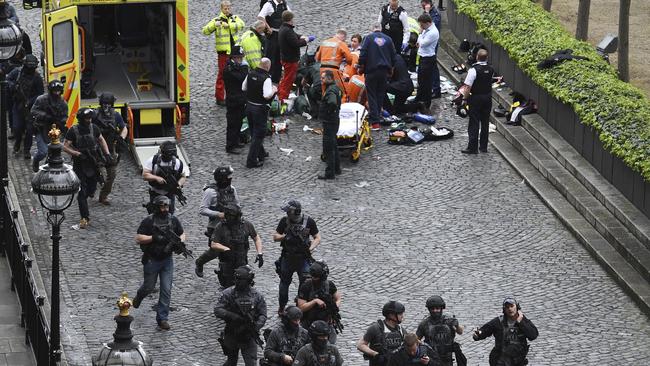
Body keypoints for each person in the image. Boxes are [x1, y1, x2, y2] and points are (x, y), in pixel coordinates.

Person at [132, 195, 186, 330]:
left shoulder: (173, 219)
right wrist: (153, 238)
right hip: (152, 259)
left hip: (167, 260)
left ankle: (162, 318)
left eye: (166, 206)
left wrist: (180, 242)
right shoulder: (148, 221)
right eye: (162, 206)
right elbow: (138, 238)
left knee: (166, 289)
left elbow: (182, 233)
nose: (164, 209)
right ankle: (139, 296)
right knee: (148, 287)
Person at [62, 108, 111, 228]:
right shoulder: (73, 131)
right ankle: (85, 217)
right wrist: (76, 153)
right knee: (82, 193)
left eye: (90, 118)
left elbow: (101, 140)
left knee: (91, 189)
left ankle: (90, 193)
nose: (89, 120)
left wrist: (107, 154)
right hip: (80, 164)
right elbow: (65, 146)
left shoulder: (94, 128)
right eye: (86, 118)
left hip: (93, 163)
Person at [195, 204, 264, 288]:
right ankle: (199, 262)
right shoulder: (221, 226)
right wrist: (225, 248)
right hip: (226, 260)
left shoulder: (246, 225)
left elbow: (256, 238)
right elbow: (214, 244)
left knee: (245, 283)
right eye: (230, 217)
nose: (232, 219)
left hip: (241, 260)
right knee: (228, 285)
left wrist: (259, 253)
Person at [273, 200, 321, 313]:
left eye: (289, 212)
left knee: (304, 283)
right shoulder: (284, 221)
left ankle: (299, 307)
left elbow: (317, 237)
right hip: (287, 257)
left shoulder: (309, 221)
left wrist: (311, 248)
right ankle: (281, 306)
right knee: (284, 284)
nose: (287, 214)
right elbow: (275, 236)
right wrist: (284, 237)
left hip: (303, 258)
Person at [214, 265, 268, 366]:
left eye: (240, 279)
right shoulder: (228, 293)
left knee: (251, 363)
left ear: (248, 280)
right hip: (232, 333)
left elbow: (263, 315)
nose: (237, 281)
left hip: (249, 335)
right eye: (236, 278)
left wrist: (256, 326)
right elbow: (218, 310)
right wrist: (232, 316)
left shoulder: (257, 296)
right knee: (231, 362)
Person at [203, 0, 246, 105]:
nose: (227, 10)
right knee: (222, 74)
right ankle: (220, 98)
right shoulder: (216, 20)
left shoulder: (234, 18)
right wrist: (214, 25)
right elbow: (205, 31)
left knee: (238, 73)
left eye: (228, 8)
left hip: (235, 51)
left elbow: (242, 25)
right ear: (221, 9)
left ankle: (235, 95)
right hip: (223, 52)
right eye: (225, 8)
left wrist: (229, 26)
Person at [473, 297, 538, 366]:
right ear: (504, 309)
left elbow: (533, 335)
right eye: (507, 307)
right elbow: (484, 330)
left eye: (512, 306)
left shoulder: (523, 320)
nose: (510, 309)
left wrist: (521, 322)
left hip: (518, 361)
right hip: (500, 360)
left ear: (517, 307)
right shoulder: (498, 322)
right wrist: (478, 335)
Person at [358, 23, 396, 130]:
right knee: (380, 94)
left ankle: (375, 122)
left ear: (372, 29)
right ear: (381, 29)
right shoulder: (388, 39)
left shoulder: (368, 38)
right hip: (384, 72)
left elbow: (363, 54)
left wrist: (361, 65)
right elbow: (394, 56)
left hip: (371, 71)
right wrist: (391, 68)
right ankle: (377, 117)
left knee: (371, 95)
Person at [93, 92, 128, 205]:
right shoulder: (94, 115)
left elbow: (124, 128)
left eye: (108, 104)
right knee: (92, 172)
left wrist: (121, 138)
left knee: (112, 174)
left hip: (110, 147)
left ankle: (103, 195)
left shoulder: (116, 115)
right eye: (104, 104)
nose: (106, 106)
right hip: (95, 148)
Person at [7, 54, 43, 160]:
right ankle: (18, 142)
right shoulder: (17, 72)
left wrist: (30, 101)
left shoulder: (37, 78)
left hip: (31, 109)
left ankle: (27, 150)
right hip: (18, 105)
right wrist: (13, 86)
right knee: (17, 127)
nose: (31, 69)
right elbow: (7, 80)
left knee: (29, 129)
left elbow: (40, 94)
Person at [242, 57, 276, 168]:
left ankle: (261, 153)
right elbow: (266, 95)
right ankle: (251, 161)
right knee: (259, 134)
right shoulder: (266, 79)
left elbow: (243, 87)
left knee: (253, 132)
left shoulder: (250, 73)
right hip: (260, 109)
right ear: (267, 66)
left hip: (249, 107)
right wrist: (274, 90)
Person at [296, 261, 341, 343]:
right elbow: (301, 307)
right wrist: (315, 301)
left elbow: (338, 298)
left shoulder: (329, 285)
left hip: (326, 322)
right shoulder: (306, 286)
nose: (314, 279)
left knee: (331, 346)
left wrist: (334, 309)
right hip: (309, 323)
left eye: (316, 277)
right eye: (313, 276)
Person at [30, 79, 68, 172]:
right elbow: (33, 111)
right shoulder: (41, 99)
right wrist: (45, 116)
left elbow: (65, 116)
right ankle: (36, 160)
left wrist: (60, 121)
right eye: (55, 91)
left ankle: (46, 170)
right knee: (43, 151)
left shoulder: (63, 103)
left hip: (55, 130)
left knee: (53, 152)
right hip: (41, 127)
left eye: (58, 91)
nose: (56, 93)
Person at [460, 49, 493, 154]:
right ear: (486, 58)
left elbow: (467, 86)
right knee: (485, 122)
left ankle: (472, 147)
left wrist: (464, 99)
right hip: (487, 97)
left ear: (477, 57)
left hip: (476, 98)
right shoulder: (491, 69)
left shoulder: (473, 70)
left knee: (474, 122)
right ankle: (483, 146)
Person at [416, 296, 465, 366]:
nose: (435, 310)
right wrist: (425, 347)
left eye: (437, 308)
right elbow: (416, 340)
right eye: (432, 309)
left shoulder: (449, 321)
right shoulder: (424, 324)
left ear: (442, 308)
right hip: (432, 360)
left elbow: (460, 331)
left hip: (447, 360)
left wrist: (457, 325)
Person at [198, 165, 240, 245]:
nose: (230, 178)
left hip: (231, 226)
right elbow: (202, 209)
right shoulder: (210, 191)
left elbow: (237, 205)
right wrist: (219, 214)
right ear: (223, 179)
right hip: (215, 227)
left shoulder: (232, 189)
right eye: (228, 177)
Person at [277, 10, 313, 103]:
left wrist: (302, 36)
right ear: (290, 19)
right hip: (290, 60)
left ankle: (280, 94)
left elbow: (295, 36)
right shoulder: (288, 30)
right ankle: (282, 99)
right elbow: (296, 43)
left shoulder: (284, 28)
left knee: (285, 78)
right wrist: (306, 40)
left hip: (285, 57)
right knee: (288, 80)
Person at [142, 141, 187, 214]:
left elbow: (183, 177)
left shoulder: (178, 163)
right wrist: (156, 178)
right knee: (154, 214)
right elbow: (145, 175)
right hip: (155, 192)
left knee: (170, 215)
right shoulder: (153, 161)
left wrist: (178, 184)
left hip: (169, 194)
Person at [357, 301, 406, 366]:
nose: (402, 316)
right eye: (400, 314)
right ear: (391, 315)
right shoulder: (375, 328)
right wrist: (375, 354)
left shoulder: (401, 330)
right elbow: (360, 345)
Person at [223, 46, 249, 154]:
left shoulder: (235, 67)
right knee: (232, 123)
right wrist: (244, 69)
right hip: (233, 100)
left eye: (241, 58)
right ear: (233, 57)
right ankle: (230, 146)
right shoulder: (229, 69)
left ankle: (236, 141)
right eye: (239, 58)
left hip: (240, 99)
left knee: (238, 122)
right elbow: (242, 77)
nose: (241, 60)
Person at [258, 0, 290, 83]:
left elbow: (290, 16)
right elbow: (260, 17)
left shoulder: (284, 5)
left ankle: (276, 81)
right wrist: (268, 28)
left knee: (280, 59)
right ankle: (266, 80)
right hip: (273, 36)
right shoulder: (269, 4)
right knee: (270, 57)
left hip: (282, 35)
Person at [318, 70, 342, 180]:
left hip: (329, 121)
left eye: (323, 78)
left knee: (328, 148)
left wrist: (328, 111)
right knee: (334, 145)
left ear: (330, 79)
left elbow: (332, 102)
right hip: (334, 120)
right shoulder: (335, 88)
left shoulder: (330, 91)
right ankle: (337, 168)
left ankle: (329, 173)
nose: (321, 80)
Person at [316, 29, 352, 102]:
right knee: (343, 92)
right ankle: (342, 110)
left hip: (322, 70)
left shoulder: (324, 42)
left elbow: (317, 58)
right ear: (343, 37)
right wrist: (342, 57)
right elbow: (350, 60)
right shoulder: (341, 43)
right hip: (333, 71)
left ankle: (324, 108)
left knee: (325, 91)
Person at [415, 14, 440, 112]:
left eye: (422, 25)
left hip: (428, 59)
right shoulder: (426, 29)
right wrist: (420, 37)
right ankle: (419, 98)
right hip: (422, 57)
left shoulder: (433, 32)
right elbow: (418, 43)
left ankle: (426, 102)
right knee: (420, 80)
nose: (421, 27)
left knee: (426, 82)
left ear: (428, 23)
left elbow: (422, 44)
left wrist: (420, 35)